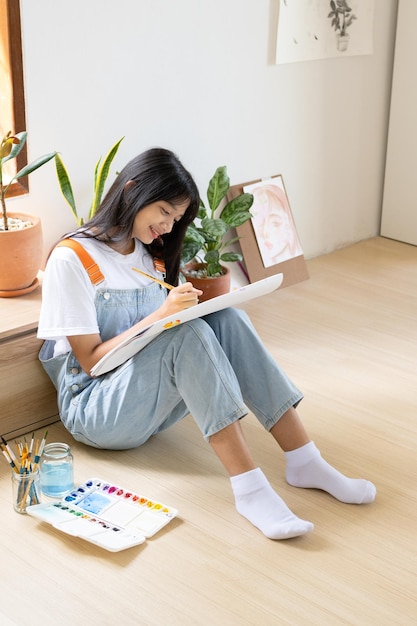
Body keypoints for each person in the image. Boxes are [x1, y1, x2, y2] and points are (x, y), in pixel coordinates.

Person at [38, 147, 376, 540]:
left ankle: (304, 460)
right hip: (94, 408)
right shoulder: (72, 258)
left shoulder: (151, 255)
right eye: (164, 211)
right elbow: (92, 363)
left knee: (226, 317)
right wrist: (161, 316)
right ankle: (250, 490)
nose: (168, 226)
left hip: (141, 400)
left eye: (176, 218)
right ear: (131, 190)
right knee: (187, 333)